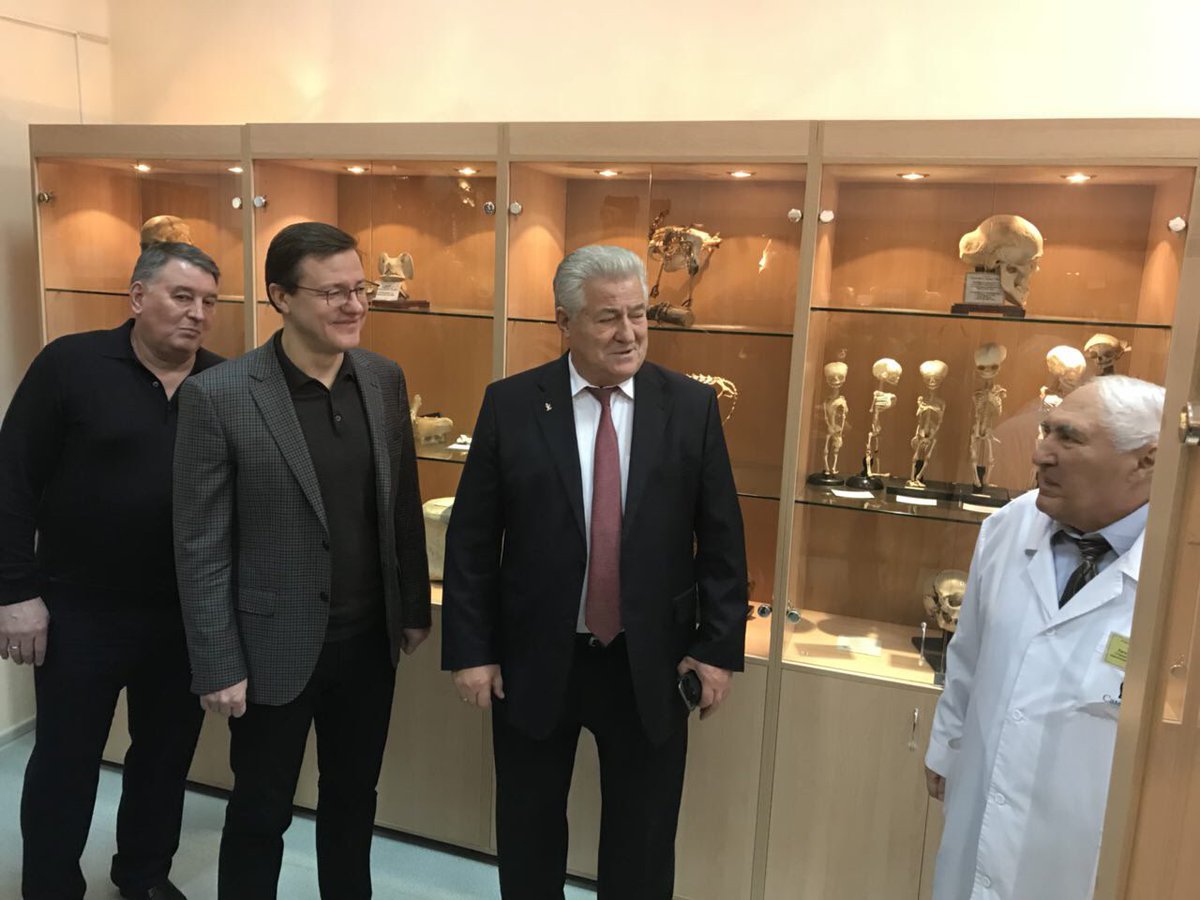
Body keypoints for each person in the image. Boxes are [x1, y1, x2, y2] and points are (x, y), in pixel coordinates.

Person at [442, 244, 748, 899]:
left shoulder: (689, 406)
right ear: (564, 321)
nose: (629, 333)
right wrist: (472, 651)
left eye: (638, 314)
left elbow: (723, 541)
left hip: (651, 661)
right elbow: (471, 541)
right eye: (608, 317)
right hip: (534, 658)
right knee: (528, 835)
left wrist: (716, 651)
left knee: (643, 844)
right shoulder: (512, 405)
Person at [172, 222, 431, 899]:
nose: (355, 305)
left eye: (360, 288)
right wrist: (218, 662)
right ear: (281, 297)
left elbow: (401, 501)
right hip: (270, 647)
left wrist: (412, 606)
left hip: (367, 642)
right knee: (260, 811)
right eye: (333, 292)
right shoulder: (219, 395)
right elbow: (200, 546)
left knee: (353, 800)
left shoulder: (381, 378)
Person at [0, 242, 223, 900]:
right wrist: (15, 592)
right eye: (182, 297)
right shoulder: (70, 365)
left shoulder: (223, 383)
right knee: (64, 761)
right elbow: (12, 481)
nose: (197, 313)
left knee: (164, 759)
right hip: (78, 610)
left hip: (183, 614)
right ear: (137, 297)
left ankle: (144, 876)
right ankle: (50, 887)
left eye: (208, 302)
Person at [925, 375, 1164, 900]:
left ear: (1147, 460)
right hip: (980, 806)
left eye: (1069, 438)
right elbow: (968, 654)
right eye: (1046, 431)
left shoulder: (1180, 572)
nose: (1040, 453)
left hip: (1090, 848)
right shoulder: (1008, 526)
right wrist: (945, 748)